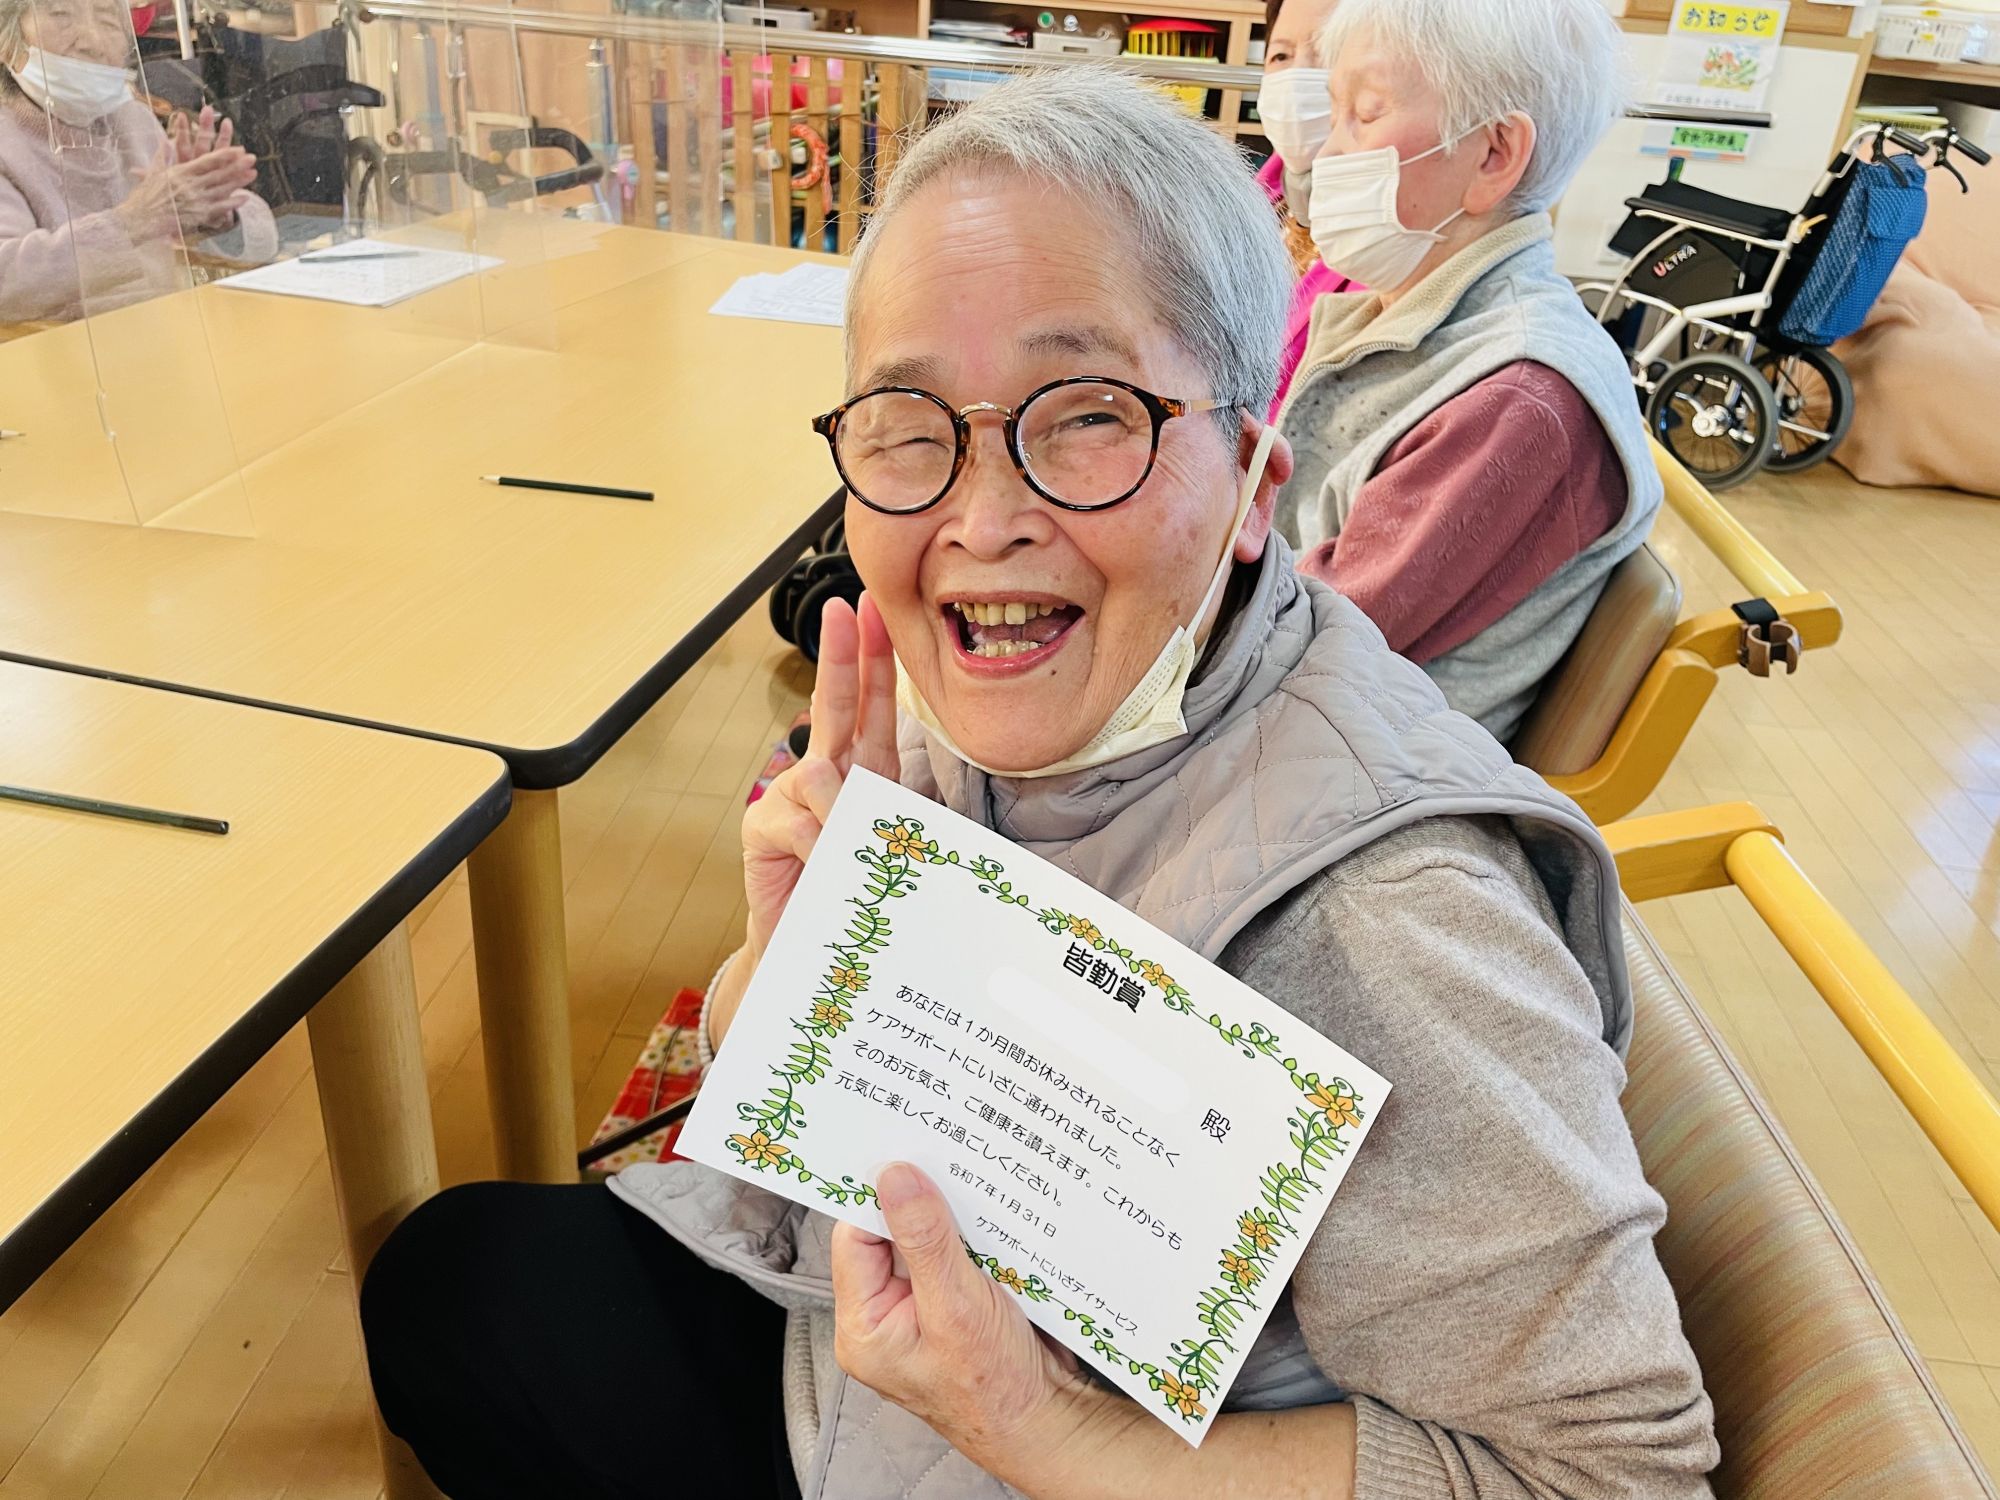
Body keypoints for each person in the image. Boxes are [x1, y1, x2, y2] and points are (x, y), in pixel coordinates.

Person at [360, 68, 1717, 1500]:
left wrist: (1041, 1429)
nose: (982, 517)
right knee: (452, 1279)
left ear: (1253, 483)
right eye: (907, 424)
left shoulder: (1390, 924)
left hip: (1058, 1448)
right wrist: (792, 972)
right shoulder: (1036, 696)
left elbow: (1615, 1480)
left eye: (1085, 415)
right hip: (891, 1325)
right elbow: (843, 1116)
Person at [1275, 0, 1659, 745]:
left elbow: (1311, 649)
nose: (1324, 150)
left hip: (1353, 772)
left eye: (1365, 114)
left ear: (1493, 155)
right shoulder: (1400, 317)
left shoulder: (1517, 396)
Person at [0, 0, 275, 326]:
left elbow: (263, 239)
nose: (92, 41)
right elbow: (7, 283)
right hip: (53, 349)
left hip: (164, 333)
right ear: (7, 41)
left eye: (108, 20)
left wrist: (216, 214)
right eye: (61, 15)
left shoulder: (132, 119)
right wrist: (132, 222)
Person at [1253, 0, 1361, 414]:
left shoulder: (1386, 244)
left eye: (1327, 53)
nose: (1296, 77)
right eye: (1281, 56)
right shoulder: (1253, 203)